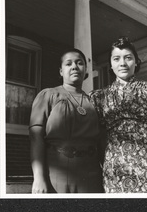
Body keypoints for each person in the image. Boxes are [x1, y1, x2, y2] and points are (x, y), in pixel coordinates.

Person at [89, 37, 147, 193]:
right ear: (111, 65)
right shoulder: (99, 97)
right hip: (116, 170)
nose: (122, 63)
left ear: (136, 62)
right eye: (116, 59)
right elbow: (99, 138)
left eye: (128, 58)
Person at [29, 48, 104, 193]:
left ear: (86, 70)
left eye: (79, 63)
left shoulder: (93, 101)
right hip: (58, 173)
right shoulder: (49, 95)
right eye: (68, 64)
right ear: (61, 71)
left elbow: (101, 141)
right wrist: (39, 177)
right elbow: (35, 137)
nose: (74, 66)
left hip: (92, 174)